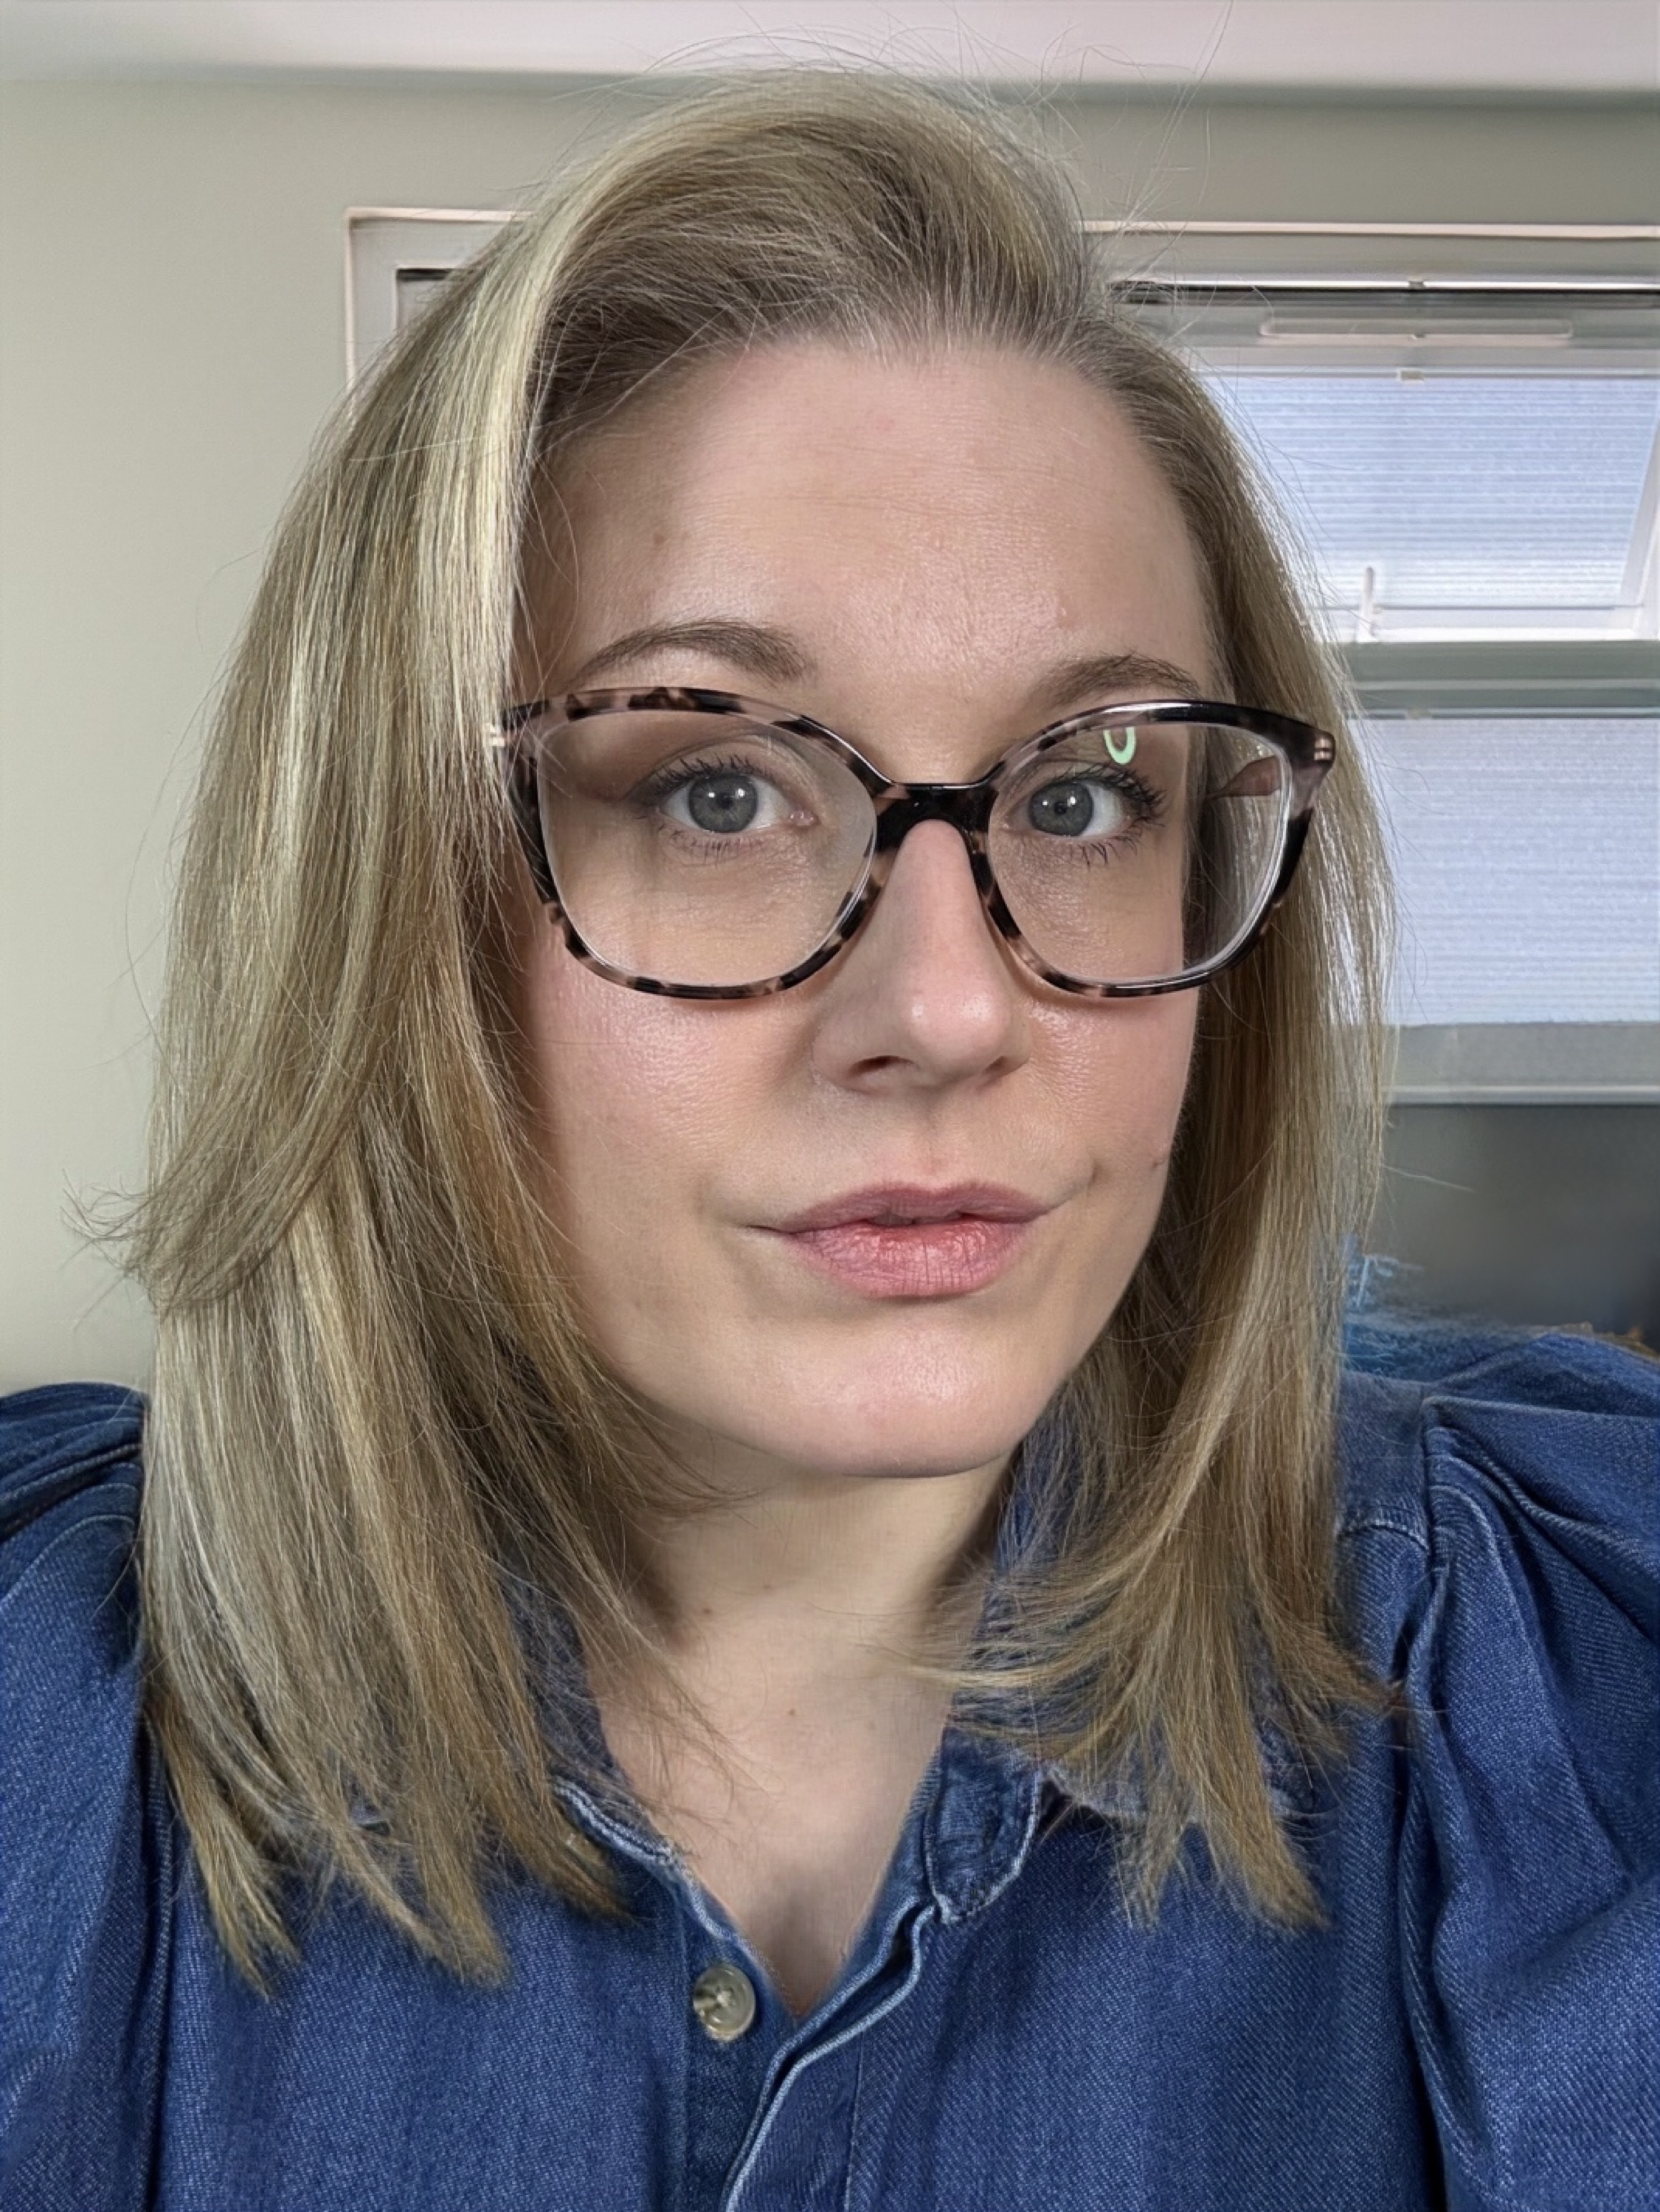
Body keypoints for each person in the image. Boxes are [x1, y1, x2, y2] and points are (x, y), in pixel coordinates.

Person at [3, 75, 1654, 2212]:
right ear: (379, 901)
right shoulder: (57, 1732)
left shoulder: (1562, 1655)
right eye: (709, 788)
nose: (958, 1013)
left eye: (1080, 796)